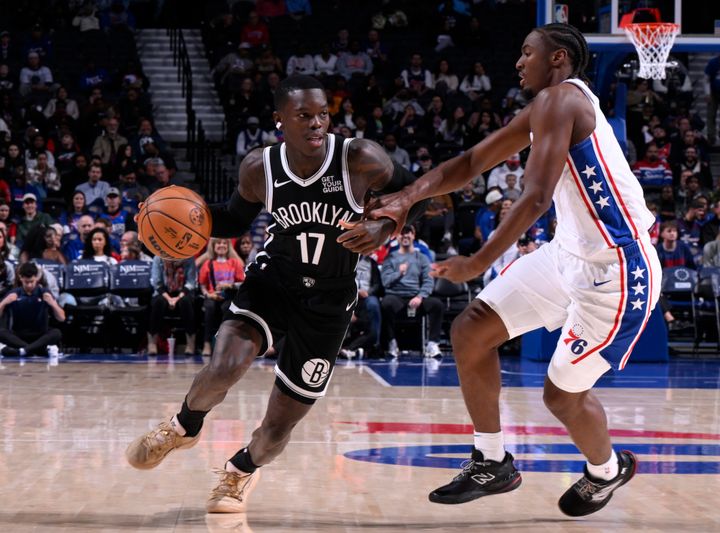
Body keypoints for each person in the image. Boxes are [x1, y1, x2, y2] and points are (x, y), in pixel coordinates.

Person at [361, 23, 660, 515]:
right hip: (568, 253)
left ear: (558, 58)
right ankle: (491, 460)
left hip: (618, 269)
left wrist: (478, 262)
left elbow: (537, 196)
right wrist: (406, 196)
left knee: (561, 397)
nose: (519, 63)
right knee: (471, 330)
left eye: (527, 53)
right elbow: (473, 160)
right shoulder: (546, 106)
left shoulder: (561, 100)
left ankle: (608, 471)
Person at [125, 75, 427, 514]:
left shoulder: (360, 158)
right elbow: (230, 218)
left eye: (323, 114)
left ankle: (241, 469)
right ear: (279, 120)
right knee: (225, 365)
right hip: (274, 279)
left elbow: (418, 193)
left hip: (330, 298)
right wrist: (164, 217)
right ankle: (184, 425)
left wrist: (385, 224)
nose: (316, 123)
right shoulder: (259, 167)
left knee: (277, 428)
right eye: (304, 115)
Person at [380, 224, 444, 358]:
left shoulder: (422, 258)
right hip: (396, 297)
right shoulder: (390, 258)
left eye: (409, 233)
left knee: (437, 305)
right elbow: (385, 282)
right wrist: (399, 273)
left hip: (416, 298)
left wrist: (420, 297)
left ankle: (432, 344)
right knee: (386, 304)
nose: (405, 235)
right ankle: (392, 342)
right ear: (397, 237)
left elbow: (429, 280)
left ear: (413, 236)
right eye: (403, 233)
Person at [0, 261, 65, 357]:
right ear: (21, 278)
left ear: (37, 278)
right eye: (26, 282)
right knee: (1, 332)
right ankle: (34, 349)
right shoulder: (14, 293)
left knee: (56, 333)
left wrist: (53, 304)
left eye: (32, 282)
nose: (29, 285)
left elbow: (62, 318)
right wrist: (3, 303)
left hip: (40, 336)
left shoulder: (44, 293)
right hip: (19, 336)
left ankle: (22, 351)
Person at [198, 238, 245, 357]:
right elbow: (202, 285)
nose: (221, 245)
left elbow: (242, 283)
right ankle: (207, 343)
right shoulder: (208, 263)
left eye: (224, 243)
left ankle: (226, 344)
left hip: (229, 296)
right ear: (213, 246)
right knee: (209, 308)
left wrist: (230, 285)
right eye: (218, 243)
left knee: (227, 308)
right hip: (212, 296)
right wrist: (208, 294)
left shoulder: (235, 262)